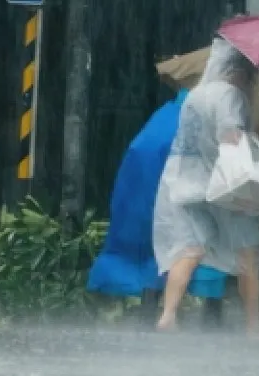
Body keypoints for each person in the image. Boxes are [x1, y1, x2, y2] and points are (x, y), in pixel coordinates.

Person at [153, 37, 259, 338]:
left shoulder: (197, 95)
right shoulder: (230, 96)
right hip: (223, 188)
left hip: (187, 183)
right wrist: (255, 138)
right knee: (248, 251)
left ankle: (168, 315)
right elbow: (230, 139)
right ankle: (253, 326)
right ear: (242, 72)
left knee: (190, 248)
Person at [86, 88, 228, 326]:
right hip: (183, 191)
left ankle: (150, 307)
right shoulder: (204, 117)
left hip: (143, 190)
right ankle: (209, 316)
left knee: (154, 247)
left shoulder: (165, 115)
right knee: (206, 249)